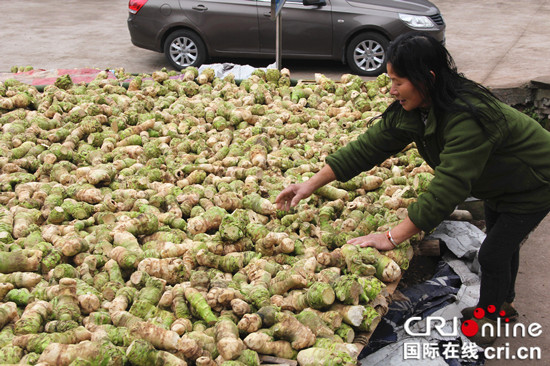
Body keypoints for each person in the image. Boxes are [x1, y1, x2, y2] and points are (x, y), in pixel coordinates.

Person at [275, 32, 550, 345]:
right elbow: (367, 147)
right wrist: (309, 185)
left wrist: (393, 236)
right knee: (502, 242)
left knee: (493, 253)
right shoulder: (420, 108)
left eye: (398, 82)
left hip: (535, 182)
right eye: (390, 80)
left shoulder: (466, 116)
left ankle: (489, 317)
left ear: (427, 77)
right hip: (500, 182)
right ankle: (504, 301)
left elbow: (447, 189)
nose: (392, 91)